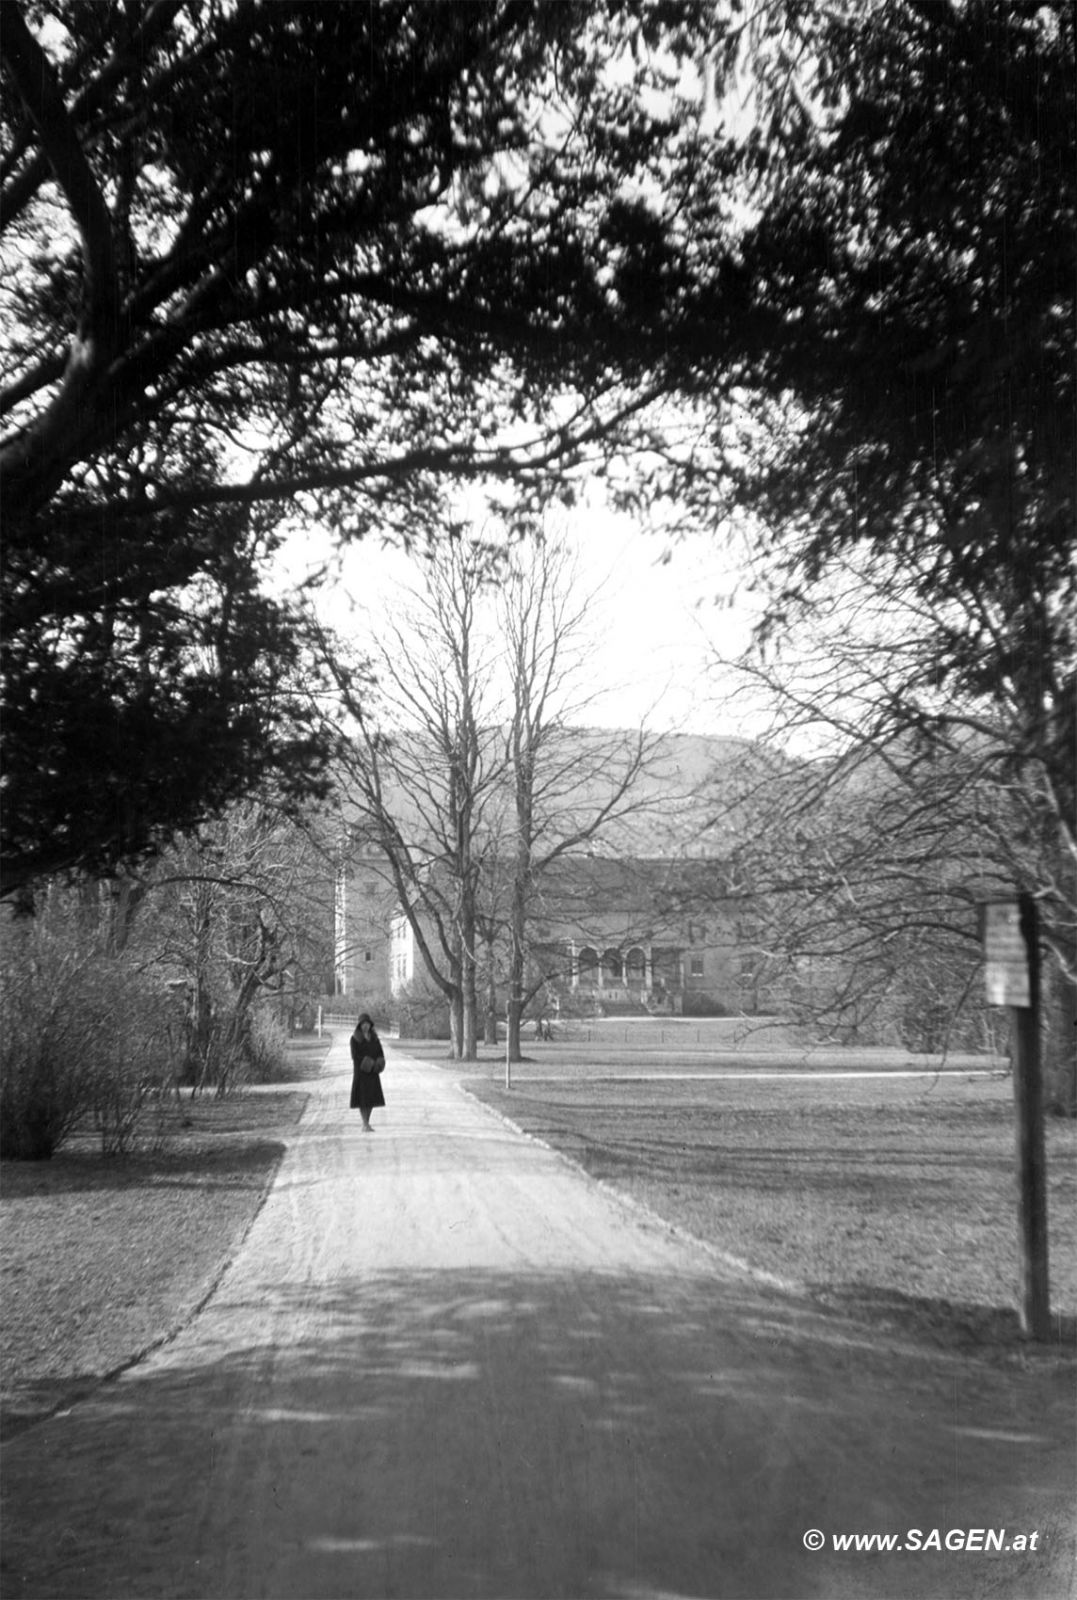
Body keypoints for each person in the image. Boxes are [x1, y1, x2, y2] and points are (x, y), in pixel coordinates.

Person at [349, 1012, 386, 1131]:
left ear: (370, 1025)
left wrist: (378, 1063)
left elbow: (380, 1052)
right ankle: (365, 1123)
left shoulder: (374, 1038)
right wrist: (368, 1063)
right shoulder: (355, 1039)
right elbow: (355, 1056)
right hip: (361, 1072)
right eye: (363, 1024)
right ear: (359, 1025)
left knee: (371, 1099)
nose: (365, 1026)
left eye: (367, 1024)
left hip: (373, 1072)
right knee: (362, 1099)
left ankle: (367, 1122)